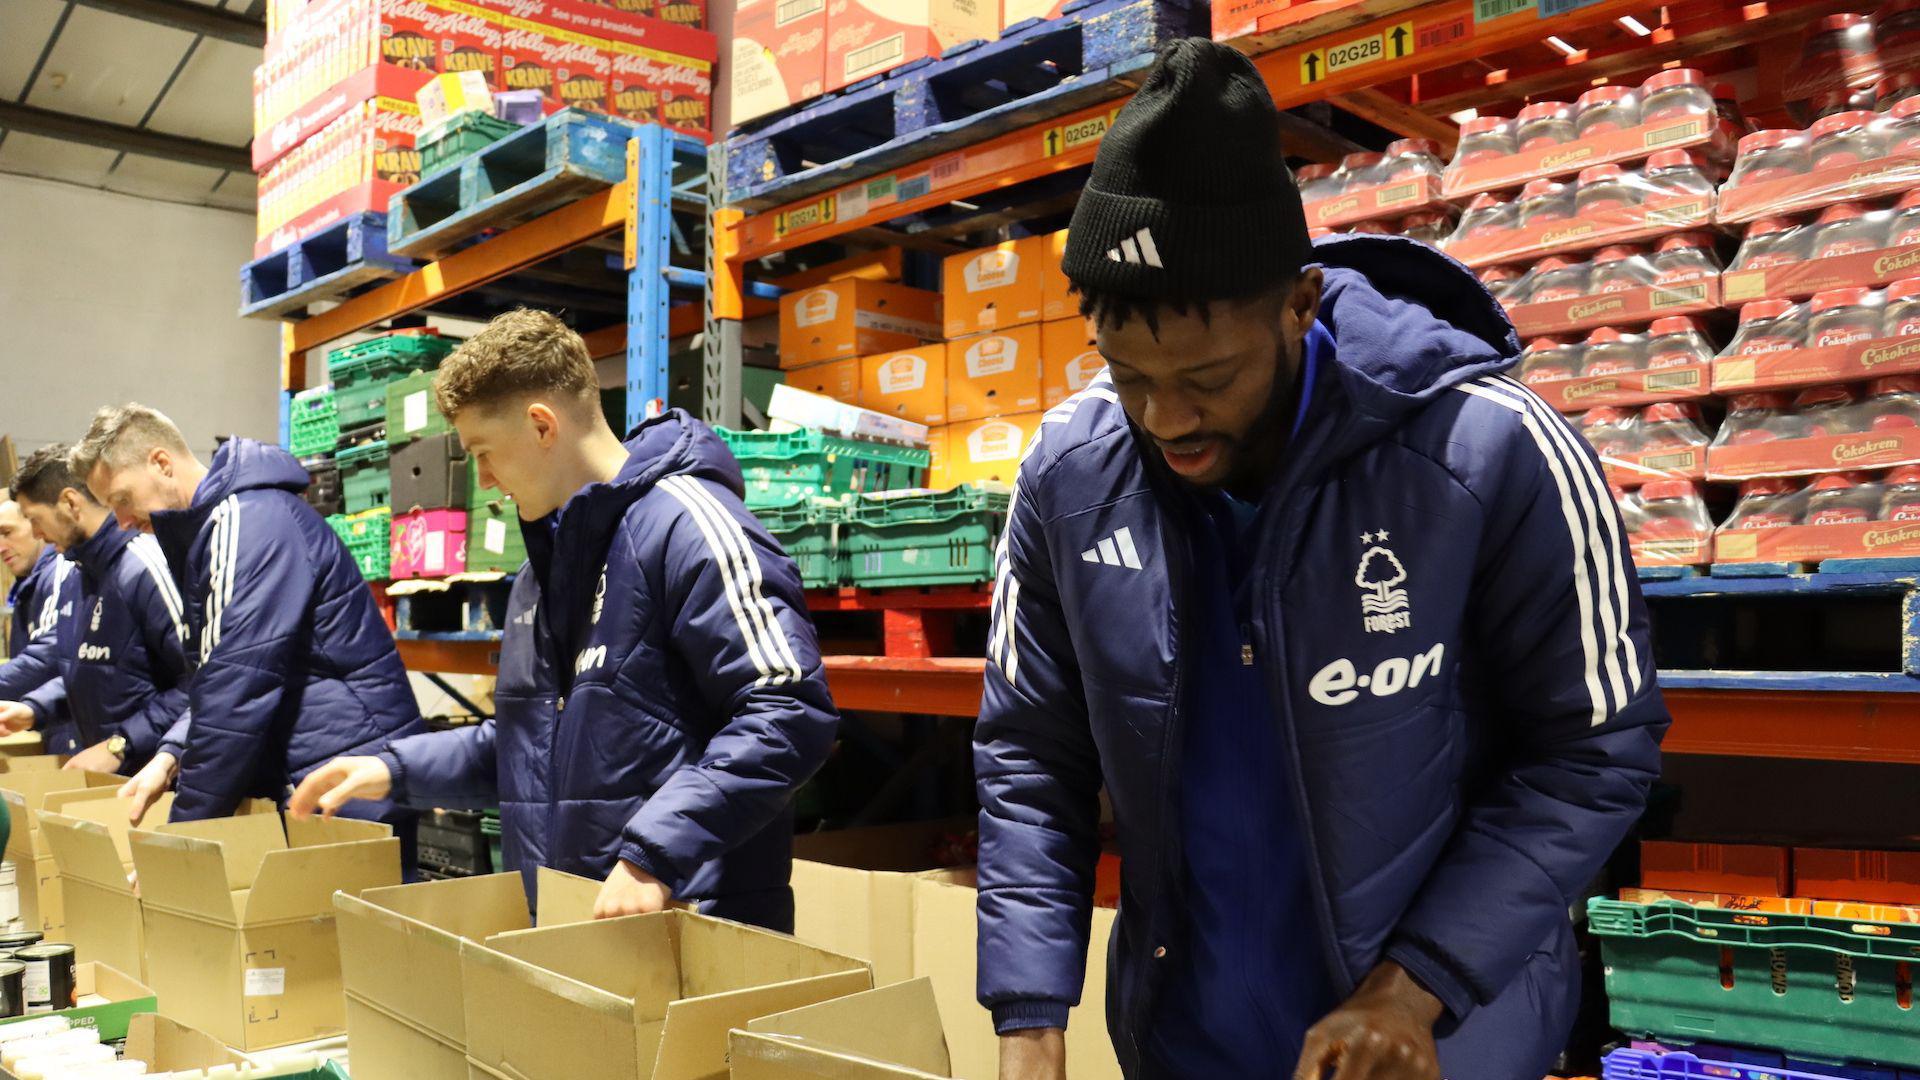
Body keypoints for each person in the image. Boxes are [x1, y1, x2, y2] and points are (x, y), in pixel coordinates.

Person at [973, 40, 1669, 1080]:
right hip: (1186, 1041)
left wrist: (1416, 986)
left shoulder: (1486, 450)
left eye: (1206, 375)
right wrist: (1030, 1022)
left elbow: (1592, 748)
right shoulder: (1071, 478)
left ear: (1300, 304)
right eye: (1127, 376)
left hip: (1438, 1046)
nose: (1167, 418)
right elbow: (1033, 754)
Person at [286, 310, 838, 929]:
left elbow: (789, 712)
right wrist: (394, 767)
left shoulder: (689, 527)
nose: (487, 482)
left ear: (541, 425)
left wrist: (653, 855)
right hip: (575, 931)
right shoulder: (539, 577)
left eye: (484, 454)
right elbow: (527, 748)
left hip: (695, 929)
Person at [70, 405, 425, 860]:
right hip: (320, 776)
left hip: (345, 784)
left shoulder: (249, 521)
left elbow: (233, 695)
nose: (120, 521)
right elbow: (220, 671)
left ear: (161, 463)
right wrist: (171, 753)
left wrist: (179, 841)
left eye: (121, 499)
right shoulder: (221, 526)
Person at [4, 445, 189, 775]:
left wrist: (121, 744)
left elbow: (199, 685)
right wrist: (35, 709)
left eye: (35, 519)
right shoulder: (78, 575)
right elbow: (93, 674)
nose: (36, 535)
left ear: (70, 503)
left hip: (164, 781)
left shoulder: (144, 566)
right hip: (118, 784)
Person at [0, 496, 77, 753]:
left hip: (73, 730)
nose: (1, 547)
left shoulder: (58, 572)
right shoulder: (29, 583)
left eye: (7, 532)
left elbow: (48, 658)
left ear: (36, 527)